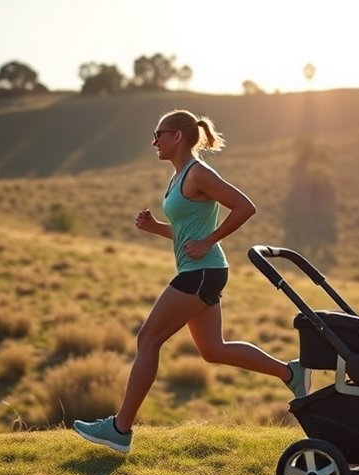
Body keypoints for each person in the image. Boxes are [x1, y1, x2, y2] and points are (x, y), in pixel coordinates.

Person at [72, 110, 310, 453]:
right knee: (213, 350)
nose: (154, 141)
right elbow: (187, 234)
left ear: (178, 136)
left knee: (148, 338)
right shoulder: (178, 177)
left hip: (201, 273)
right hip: (203, 272)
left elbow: (245, 207)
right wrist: (156, 228)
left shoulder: (199, 173)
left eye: (158, 134)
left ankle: (120, 429)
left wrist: (209, 241)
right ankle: (291, 374)